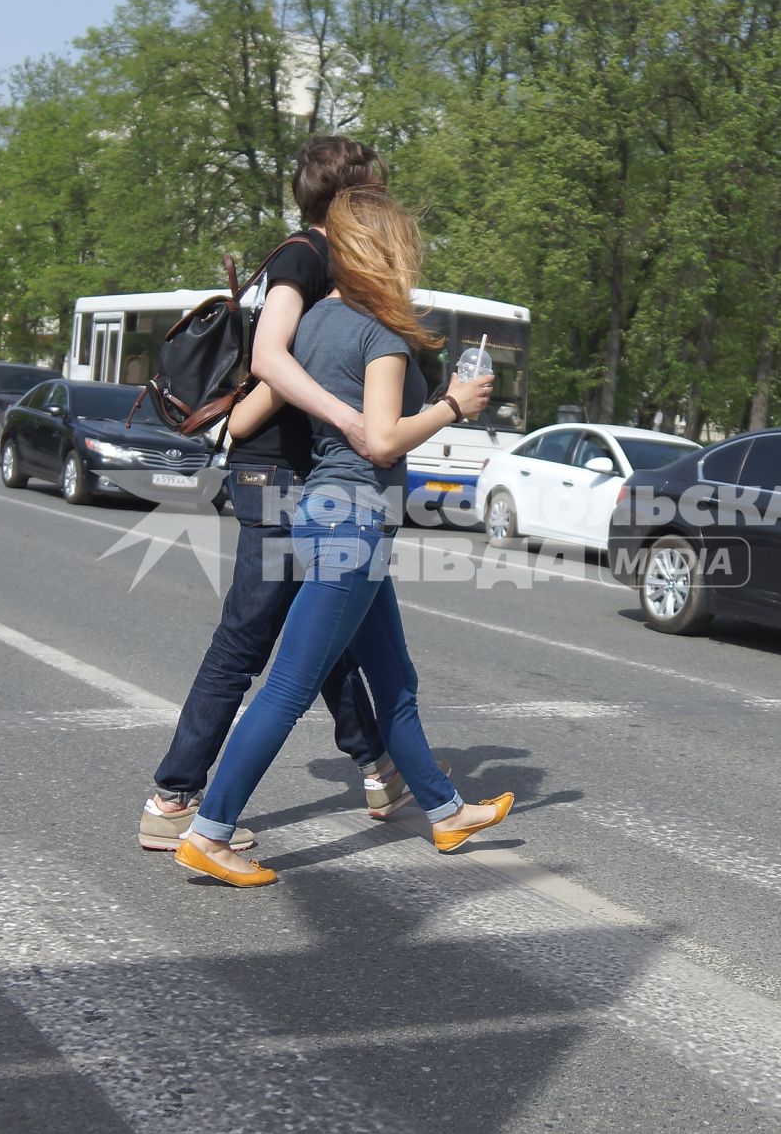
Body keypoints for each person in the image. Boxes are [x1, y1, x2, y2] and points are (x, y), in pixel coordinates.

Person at [174, 186, 511, 888]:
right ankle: (209, 831)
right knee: (289, 686)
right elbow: (383, 441)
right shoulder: (381, 335)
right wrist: (452, 404)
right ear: (388, 254)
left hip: (326, 512)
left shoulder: (314, 321)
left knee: (395, 679)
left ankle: (446, 812)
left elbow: (260, 405)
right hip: (354, 519)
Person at [138, 136, 429, 854]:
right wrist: (349, 416)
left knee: (321, 633)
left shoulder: (343, 264)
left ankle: (379, 766)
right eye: (377, 184)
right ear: (352, 192)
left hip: (305, 475)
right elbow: (271, 357)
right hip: (278, 474)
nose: (386, 194)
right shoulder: (305, 254)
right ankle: (176, 796)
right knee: (250, 639)